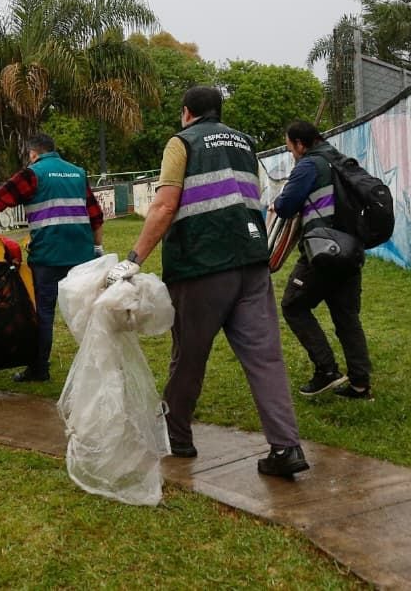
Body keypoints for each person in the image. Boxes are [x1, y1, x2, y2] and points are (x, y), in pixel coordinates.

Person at [108, 86, 308, 478]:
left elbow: (165, 205)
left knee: (189, 355)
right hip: (252, 264)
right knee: (265, 358)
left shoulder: (181, 143)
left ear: (186, 113)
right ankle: (286, 447)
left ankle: (179, 436)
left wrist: (133, 259)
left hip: (201, 266)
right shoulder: (245, 144)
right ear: (219, 111)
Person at [0, 132, 104, 382]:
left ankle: (39, 368)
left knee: (44, 313)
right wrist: (97, 247)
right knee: (87, 311)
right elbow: (96, 216)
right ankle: (98, 368)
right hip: (82, 255)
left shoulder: (33, 173)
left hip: (48, 257)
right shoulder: (77, 173)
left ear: (33, 153)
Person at [271, 120, 374, 401]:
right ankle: (360, 384)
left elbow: (286, 205)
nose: (291, 152)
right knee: (346, 317)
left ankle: (326, 370)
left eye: (290, 146)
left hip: (323, 251)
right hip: (351, 249)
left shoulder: (308, 165)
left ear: (300, 144)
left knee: (293, 305)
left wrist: (277, 203)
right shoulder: (341, 161)